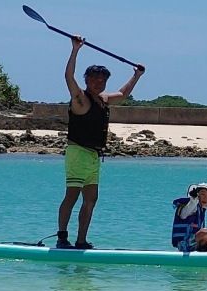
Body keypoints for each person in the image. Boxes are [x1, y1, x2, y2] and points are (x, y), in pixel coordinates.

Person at [56, 35, 145, 249]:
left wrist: (137, 75)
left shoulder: (104, 100)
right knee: (72, 196)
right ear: (87, 80)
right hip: (78, 153)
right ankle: (62, 237)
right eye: (94, 80)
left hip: (94, 157)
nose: (98, 83)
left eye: (102, 80)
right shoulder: (80, 99)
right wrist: (75, 50)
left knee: (91, 199)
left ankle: (81, 241)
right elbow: (68, 77)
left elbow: (123, 94)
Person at [171, 183, 207, 252]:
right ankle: (203, 250)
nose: (205, 197)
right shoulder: (190, 206)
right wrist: (194, 200)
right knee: (205, 232)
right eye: (202, 194)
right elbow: (184, 214)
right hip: (186, 244)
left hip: (198, 243)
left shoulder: (201, 211)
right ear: (197, 195)